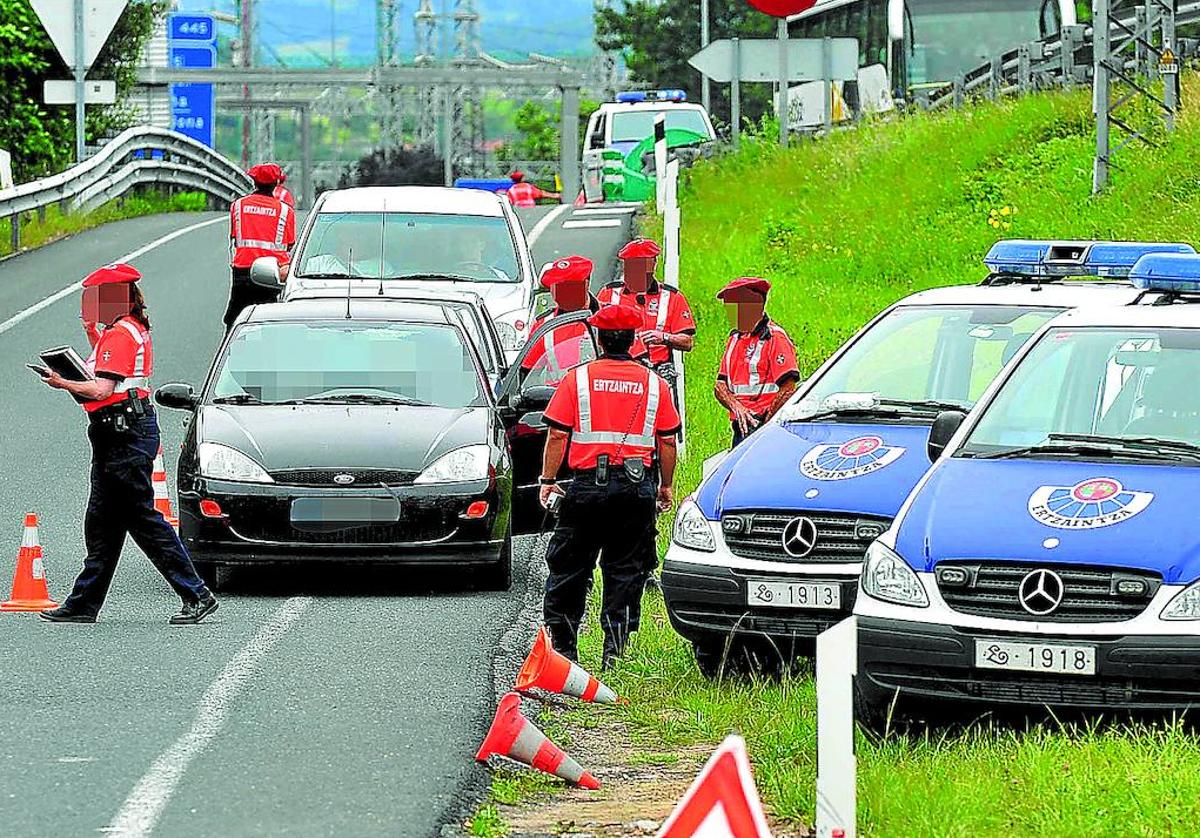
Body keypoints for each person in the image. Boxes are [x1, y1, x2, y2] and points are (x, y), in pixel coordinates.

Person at [36, 264, 218, 625]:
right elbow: (110, 371)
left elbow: (101, 388)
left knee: (143, 519)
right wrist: (91, 333)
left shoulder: (120, 333)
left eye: (96, 300)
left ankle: (196, 593)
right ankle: (84, 603)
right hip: (116, 432)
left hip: (123, 434)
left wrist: (61, 382)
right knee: (102, 521)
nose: (91, 305)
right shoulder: (122, 331)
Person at [538, 305, 681, 669]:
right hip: (636, 490)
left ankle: (565, 650)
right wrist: (665, 487)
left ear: (599, 339)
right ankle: (614, 652)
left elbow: (557, 433)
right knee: (626, 570)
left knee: (571, 567)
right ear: (633, 340)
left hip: (586, 489)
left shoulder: (578, 379)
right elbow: (667, 441)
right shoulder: (655, 383)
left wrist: (548, 481)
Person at [598, 238, 695, 390]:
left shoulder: (672, 297)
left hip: (658, 372)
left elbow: (687, 342)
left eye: (641, 267)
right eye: (631, 267)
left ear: (653, 265)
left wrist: (664, 337)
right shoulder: (609, 293)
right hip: (617, 373)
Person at [714, 277, 801, 447]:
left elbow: (788, 388)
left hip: (766, 428)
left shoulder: (775, 338)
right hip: (742, 428)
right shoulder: (735, 338)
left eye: (733, 307)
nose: (729, 314)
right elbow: (720, 385)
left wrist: (767, 424)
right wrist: (737, 407)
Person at [227, 163, 296, 331]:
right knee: (269, 321)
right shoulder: (286, 211)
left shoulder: (238, 206)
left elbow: (235, 237)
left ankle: (231, 352)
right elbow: (290, 244)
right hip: (272, 274)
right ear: (276, 184)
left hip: (242, 271)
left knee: (235, 320)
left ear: (254, 182)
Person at [521, 256, 598, 383]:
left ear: (587, 284)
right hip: (558, 399)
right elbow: (525, 374)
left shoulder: (611, 319)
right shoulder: (545, 326)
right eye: (557, 289)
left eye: (569, 288)